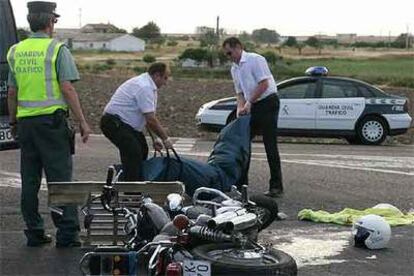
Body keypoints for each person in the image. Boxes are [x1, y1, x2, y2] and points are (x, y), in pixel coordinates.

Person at [7, 1, 91, 247]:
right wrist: (82, 121)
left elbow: (12, 92)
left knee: (29, 180)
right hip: (51, 125)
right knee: (61, 179)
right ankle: (67, 235)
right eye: (54, 21)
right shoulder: (57, 49)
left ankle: (34, 232)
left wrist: (13, 121)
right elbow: (67, 87)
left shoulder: (15, 51)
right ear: (49, 22)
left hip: (25, 124)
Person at [222, 37, 283, 197]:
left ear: (238, 48)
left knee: (269, 144)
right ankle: (241, 184)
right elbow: (239, 92)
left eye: (230, 52)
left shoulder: (255, 60)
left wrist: (249, 102)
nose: (229, 57)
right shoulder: (234, 69)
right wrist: (240, 108)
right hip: (252, 103)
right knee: (242, 143)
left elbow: (264, 84)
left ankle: (276, 186)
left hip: (267, 102)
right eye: (226, 54)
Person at [100, 62, 173, 181]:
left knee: (142, 149)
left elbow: (146, 115)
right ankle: (131, 191)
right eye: (165, 78)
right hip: (113, 123)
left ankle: (127, 180)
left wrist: (155, 138)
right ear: (156, 75)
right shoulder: (144, 87)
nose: (166, 82)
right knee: (133, 153)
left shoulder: (149, 86)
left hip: (125, 125)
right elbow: (151, 119)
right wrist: (165, 139)